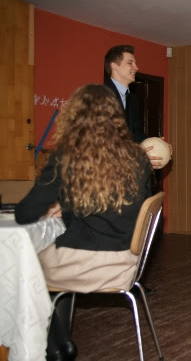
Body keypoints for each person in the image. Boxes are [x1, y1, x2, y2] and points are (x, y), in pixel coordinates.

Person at [16, 84, 153, 361]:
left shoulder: (67, 157)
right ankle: (61, 342)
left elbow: (25, 214)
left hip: (84, 263)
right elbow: (125, 205)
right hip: (128, 263)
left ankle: (57, 345)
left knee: (23, 266)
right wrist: (66, 205)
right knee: (48, 261)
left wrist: (58, 203)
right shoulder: (138, 157)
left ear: (75, 116)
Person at [103, 44, 171, 169]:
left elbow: (135, 134)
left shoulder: (133, 99)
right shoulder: (99, 95)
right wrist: (137, 152)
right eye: (130, 63)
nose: (136, 67)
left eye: (135, 63)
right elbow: (103, 137)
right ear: (114, 66)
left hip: (126, 169)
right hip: (104, 168)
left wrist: (156, 144)